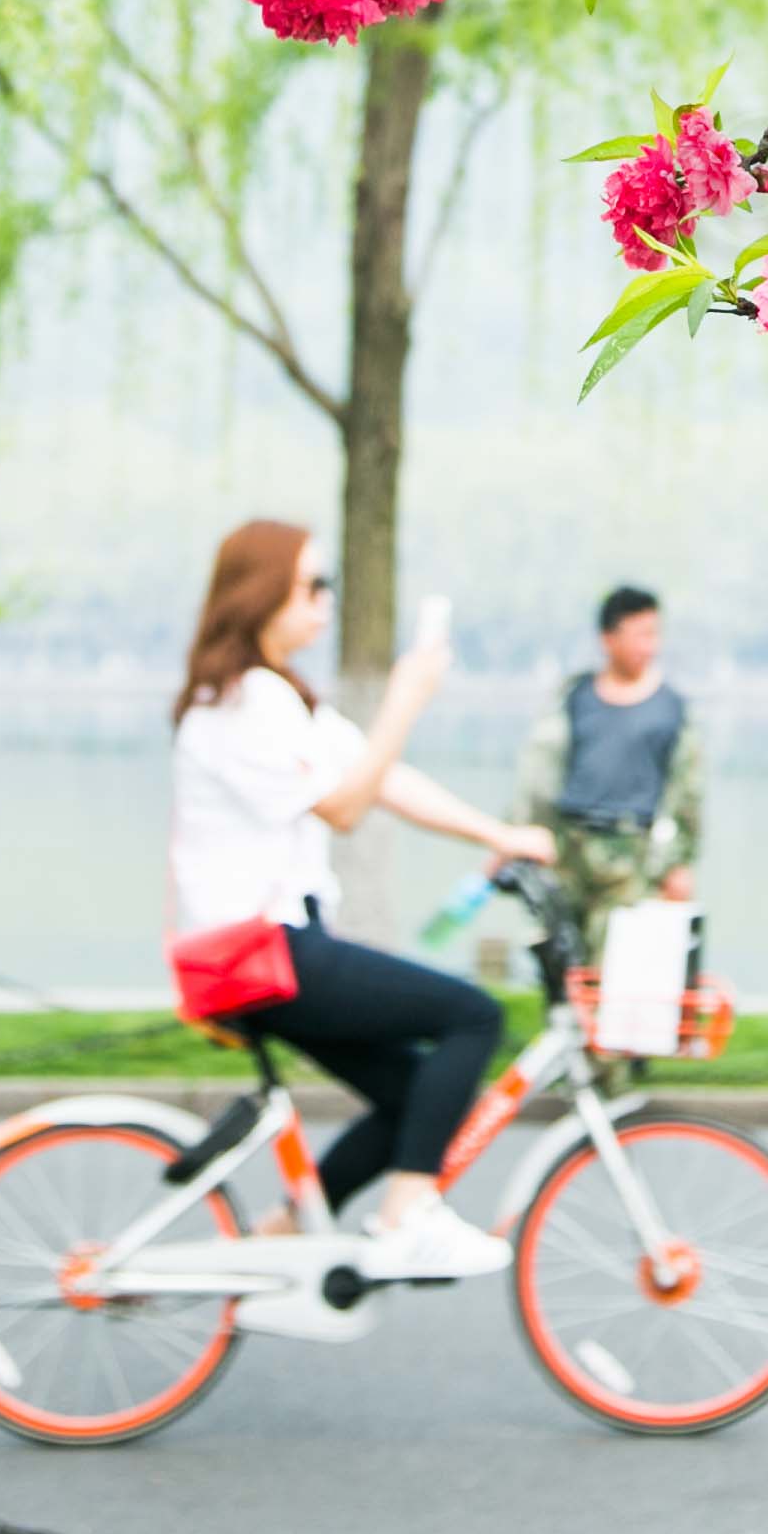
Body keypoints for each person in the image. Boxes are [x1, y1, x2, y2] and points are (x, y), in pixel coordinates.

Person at [169, 520, 555, 1281]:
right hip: (264, 953)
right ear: (263, 594)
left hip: (274, 950)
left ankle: (280, 1234)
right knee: (473, 1016)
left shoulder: (276, 698)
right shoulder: (244, 702)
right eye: (312, 585)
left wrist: (499, 832)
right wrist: (406, 699)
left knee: (415, 1094)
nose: (325, 600)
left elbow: (383, 780)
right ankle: (405, 1217)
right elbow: (347, 806)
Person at [512, 584, 703, 962]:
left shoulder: (670, 708)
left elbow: (688, 790)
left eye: (655, 634)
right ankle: (566, 1020)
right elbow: (539, 774)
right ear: (608, 639)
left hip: (632, 856)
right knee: (560, 957)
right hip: (569, 849)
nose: (650, 646)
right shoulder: (574, 698)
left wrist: (680, 862)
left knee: (618, 961)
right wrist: (518, 833)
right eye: (641, 635)